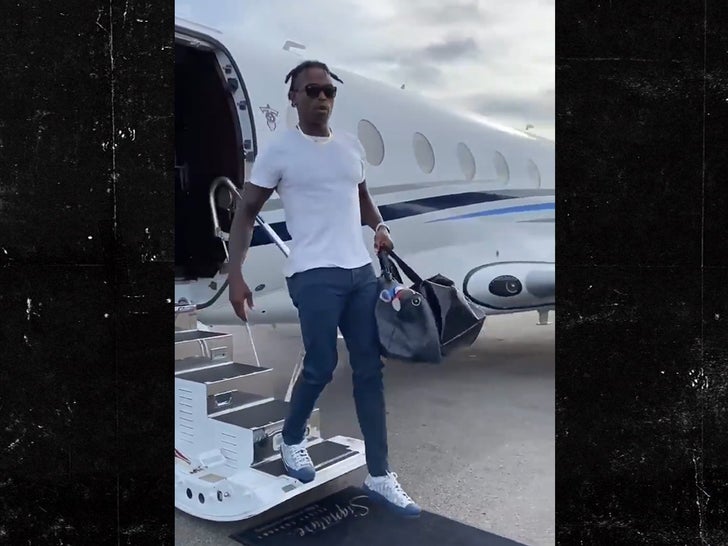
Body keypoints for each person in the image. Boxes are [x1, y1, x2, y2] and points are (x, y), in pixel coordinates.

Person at [226, 60, 420, 518]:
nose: (321, 98)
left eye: (328, 91)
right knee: (321, 364)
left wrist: (380, 227)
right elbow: (246, 213)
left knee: (370, 369)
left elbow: (362, 197)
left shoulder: (350, 147)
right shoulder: (279, 150)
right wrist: (235, 274)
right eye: (311, 90)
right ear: (293, 96)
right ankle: (292, 438)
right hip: (313, 273)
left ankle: (380, 473)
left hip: (360, 272)